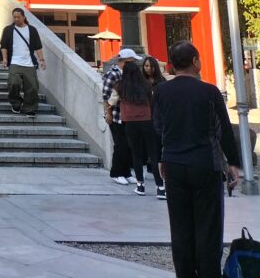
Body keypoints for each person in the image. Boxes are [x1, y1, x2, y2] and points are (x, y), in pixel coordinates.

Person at [153, 41, 240, 278]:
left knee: (180, 227)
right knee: (208, 228)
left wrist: (162, 157)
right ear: (195, 61)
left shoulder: (161, 91)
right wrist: (233, 163)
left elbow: (158, 128)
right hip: (205, 164)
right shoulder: (210, 91)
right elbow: (223, 130)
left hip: (174, 164)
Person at [111, 59, 164, 198]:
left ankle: (140, 186)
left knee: (136, 153)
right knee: (153, 153)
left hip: (130, 121)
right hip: (147, 120)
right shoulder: (146, 85)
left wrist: (108, 112)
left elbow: (112, 101)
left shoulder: (120, 86)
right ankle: (160, 187)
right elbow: (151, 100)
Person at [102, 48, 140, 185]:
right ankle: (116, 172)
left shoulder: (130, 74)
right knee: (121, 145)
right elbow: (106, 96)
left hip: (128, 115)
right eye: (132, 61)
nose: (134, 63)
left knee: (129, 145)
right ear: (124, 61)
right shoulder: (113, 74)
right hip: (117, 115)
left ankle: (126, 172)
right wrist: (108, 113)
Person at [0, 8, 46, 116]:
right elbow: (4, 46)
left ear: (24, 17)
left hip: (29, 63)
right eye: (14, 17)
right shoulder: (8, 30)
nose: (16, 19)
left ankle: (29, 108)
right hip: (15, 62)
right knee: (13, 83)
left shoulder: (32, 30)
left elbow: (38, 47)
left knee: (32, 87)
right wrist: (5, 59)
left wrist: (42, 60)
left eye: (18, 17)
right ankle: (16, 103)